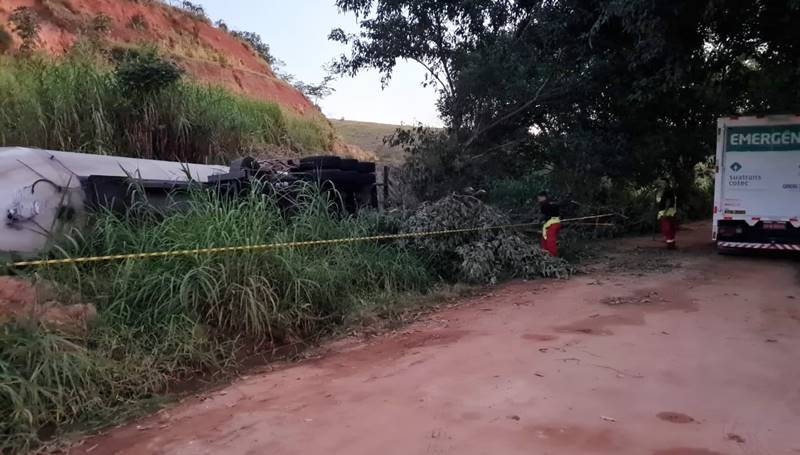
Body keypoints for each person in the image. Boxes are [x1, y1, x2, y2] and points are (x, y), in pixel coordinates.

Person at [537, 191, 562, 257]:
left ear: (543, 197)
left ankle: (552, 255)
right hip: (550, 223)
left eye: (539, 197)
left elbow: (547, 215)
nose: (538, 199)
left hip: (553, 223)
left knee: (550, 239)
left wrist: (542, 219)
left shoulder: (547, 204)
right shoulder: (547, 204)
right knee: (545, 239)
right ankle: (546, 254)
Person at [657, 184, 678, 249]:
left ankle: (670, 244)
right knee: (670, 228)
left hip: (666, 213)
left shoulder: (667, 193)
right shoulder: (671, 194)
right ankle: (671, 243)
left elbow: (668, 203)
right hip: (671, 212)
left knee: (667, 229)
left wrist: (665, 213)